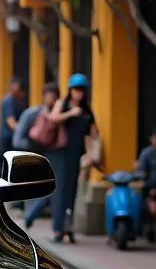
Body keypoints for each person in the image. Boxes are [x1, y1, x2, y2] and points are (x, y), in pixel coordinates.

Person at [46, 73, 99, 244]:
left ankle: (68, 228)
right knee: (60, 191)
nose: (79, 93)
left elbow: (93, 133)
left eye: (82, 90)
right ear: (70, 90)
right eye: (76, 89)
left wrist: (92, 153)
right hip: (60, 154)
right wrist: (70, 114)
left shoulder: (86, 111)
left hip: (76, 155)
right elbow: (52, 119)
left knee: (72, 192)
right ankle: (57, 229)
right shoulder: (63, 104)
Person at [19, 83, 61, 229]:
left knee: (49, 189)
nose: (52, 99)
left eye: (54, 97)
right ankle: (28, 216)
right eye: (49, 96)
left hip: (51, 158)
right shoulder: (32, 114)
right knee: (31, 188)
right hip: (33, 157)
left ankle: (31, 215)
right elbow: (18, 138)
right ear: (43, 97)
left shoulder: (58, 115)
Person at [0, 76, 27, 165]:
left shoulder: (20, 100)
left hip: (15, 138)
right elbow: (12, 123)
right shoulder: (7, 101)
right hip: (7, 138)